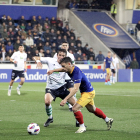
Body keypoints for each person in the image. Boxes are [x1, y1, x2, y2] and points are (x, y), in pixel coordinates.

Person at [47, 57, 113, 133]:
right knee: (92, 109)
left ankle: (82, 127)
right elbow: (62, 69)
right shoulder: (68, 68)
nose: (63, 68)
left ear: (69, 64)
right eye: (62, 66)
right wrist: (53, 70)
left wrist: (65, 99)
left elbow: (75, 89)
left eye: (63, 66)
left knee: (75, 108)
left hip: (88, 93)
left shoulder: (76, 72)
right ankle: (108, 120)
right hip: (86, 92)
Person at [33, 49, 79, 127]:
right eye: (59, 55)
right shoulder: (50, 60)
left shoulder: (67, 65)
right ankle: (50, 118)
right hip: (51, 88)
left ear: (65, 57)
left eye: (63, 56)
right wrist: (38, 61)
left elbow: (73, 71)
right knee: (47, 102)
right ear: (57, 55)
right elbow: (35, 57)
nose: (61, 57)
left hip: (62, 88)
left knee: (76, 104)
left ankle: (78, 121)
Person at [53, 41, 75, 111]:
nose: (64, 46)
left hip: (68, 77)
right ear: (61, 46)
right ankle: (70, 106)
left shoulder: (71, 55)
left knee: (71, 92)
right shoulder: (56, 55)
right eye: (63, 45)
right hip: (61, 78)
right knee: (63, 93)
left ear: (68, 47)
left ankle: (74, 105)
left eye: (66, 45)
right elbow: (54, 64)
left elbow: (73, 65)